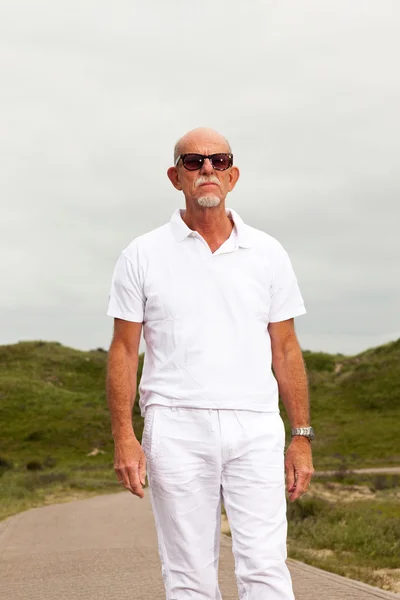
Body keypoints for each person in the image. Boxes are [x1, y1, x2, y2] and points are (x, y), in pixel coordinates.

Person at [106, 127, 314, 599]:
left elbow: (286, 348)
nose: (207, 170)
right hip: (176, 426)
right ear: (175, 175)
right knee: (187, 576)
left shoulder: (268, 253)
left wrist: (300, 436)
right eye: (194, 162)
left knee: (265, 567)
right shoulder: (141, 254)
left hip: (256, 425)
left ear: (232, 175)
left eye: (218, 161)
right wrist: (124, 436)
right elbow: (123, 349)